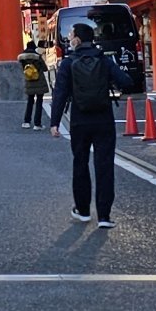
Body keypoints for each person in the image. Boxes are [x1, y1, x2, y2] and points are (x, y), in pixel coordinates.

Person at [49, 21, 120, 228]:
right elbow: (125, 80)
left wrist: (55, 122)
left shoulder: (68, 63)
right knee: (104, 166)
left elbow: (60, 93)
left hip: (79, 120)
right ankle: (104, 216)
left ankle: (83, 210)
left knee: (80, 163)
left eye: (71, 36)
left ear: (77, 40)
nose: (69, 39)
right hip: (104, 119)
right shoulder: (104, 60)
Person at [19, 42, 48, 129]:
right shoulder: (37, 57)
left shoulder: (22, 59)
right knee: (39, 102)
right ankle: (37, 124)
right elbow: (45, 68)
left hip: (29, 82)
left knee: (30, 101)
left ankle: (26, 122)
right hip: (39, 82)